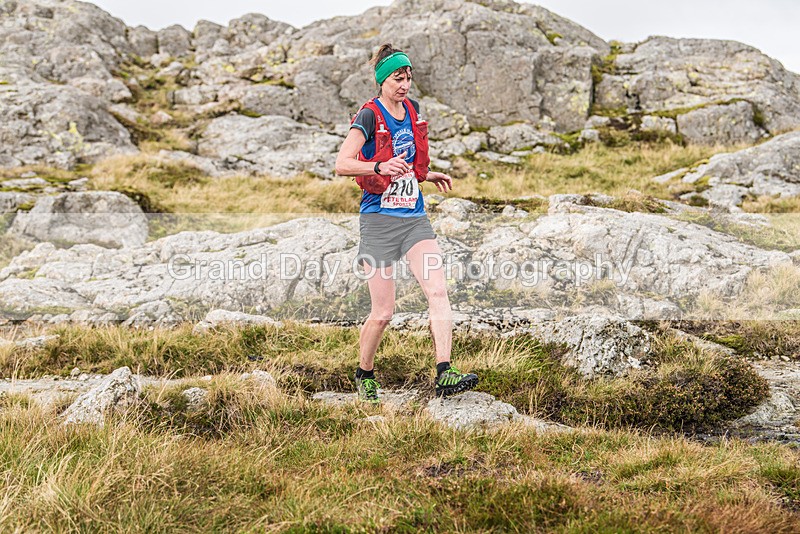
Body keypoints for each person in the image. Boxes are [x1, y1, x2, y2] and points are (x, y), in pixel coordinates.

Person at [335, 43, 479, 404]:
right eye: (397, 78)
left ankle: (445, 371)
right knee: (383, 312)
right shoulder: (368, 116)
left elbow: (409, 162)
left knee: (438, 292)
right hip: (379, 221)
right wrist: (378, 167)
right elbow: (342, 163)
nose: (404, 85)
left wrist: (426, 175)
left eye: (408, 78)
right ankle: (364, 372)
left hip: (414, 218)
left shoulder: (412, 111)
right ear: (382, 81)